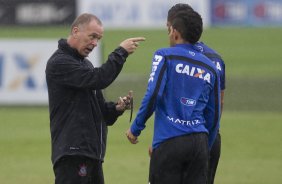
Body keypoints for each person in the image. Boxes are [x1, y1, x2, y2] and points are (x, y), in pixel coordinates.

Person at [126, 4, 221, 184]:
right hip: (199, 142)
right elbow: (214, 115)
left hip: (169, 141)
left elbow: (154, 94)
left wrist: (136, 127)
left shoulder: (165, 56)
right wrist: (205, 148)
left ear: (175, 33)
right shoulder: (210, 67)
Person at [45, 13, 145, 184]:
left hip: (91, 155)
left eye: (98, 39)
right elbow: (99, 78)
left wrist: (117, 108)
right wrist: (120, 52)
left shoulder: (85, 64)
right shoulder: (59, 62)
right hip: (73, 154)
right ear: (76, 31)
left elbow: (101, 113)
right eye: (92, 36)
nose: (95, 43)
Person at [165, 3, 226, 184]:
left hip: (176, 139)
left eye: (168, 28)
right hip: (209, 137)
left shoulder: (171, 59)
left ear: (174, 28)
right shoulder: (215, 59)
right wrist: (208, 138)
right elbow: (218, 104)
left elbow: (166, 103)